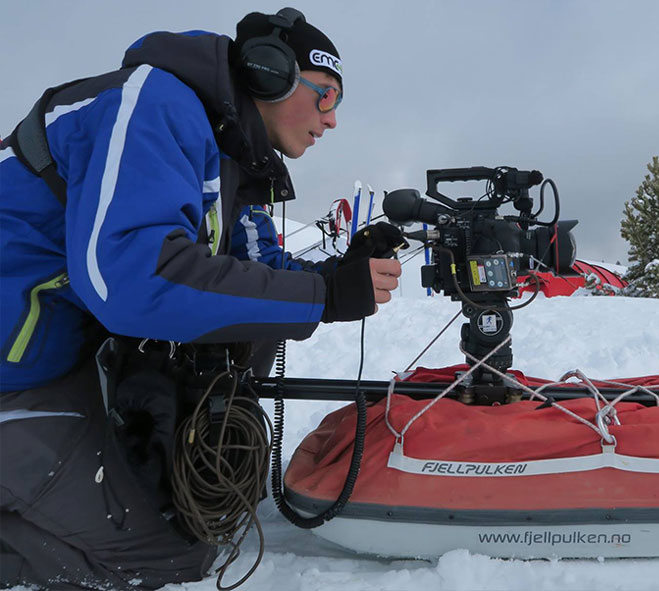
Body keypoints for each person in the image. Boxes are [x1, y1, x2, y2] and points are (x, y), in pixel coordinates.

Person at [0, 8, 401, 589]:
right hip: (14, 376)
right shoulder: (154, 105)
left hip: (51, 360)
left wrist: (340, 272)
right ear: (270, 74)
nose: (332, 121)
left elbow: (248, 269)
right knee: (162, 559)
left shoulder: (224, 150)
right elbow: (134, 282)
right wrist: (323, 296)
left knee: (246, 338)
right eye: (325, 97)